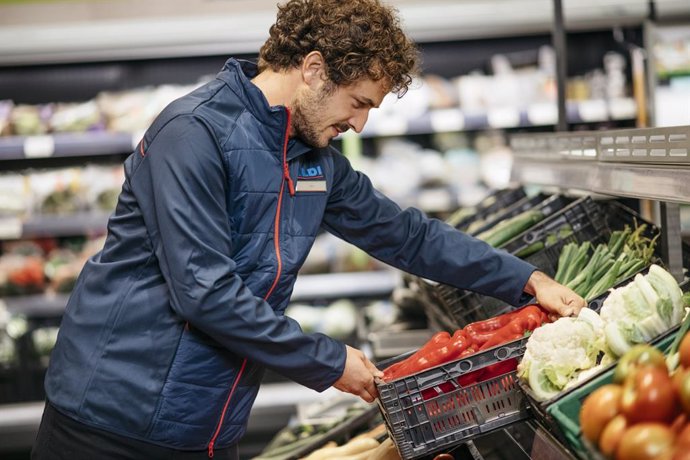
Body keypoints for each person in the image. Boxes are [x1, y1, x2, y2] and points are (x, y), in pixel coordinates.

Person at [32, 0, 586, 458]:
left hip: (207, 425)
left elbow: (408, 236)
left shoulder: (313, 158)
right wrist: (329, 361)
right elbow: (203, 290)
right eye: (358, 102)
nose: (359, 123)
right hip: (109, 421)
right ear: (315, 69)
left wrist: (527, 279)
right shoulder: (192, 133)